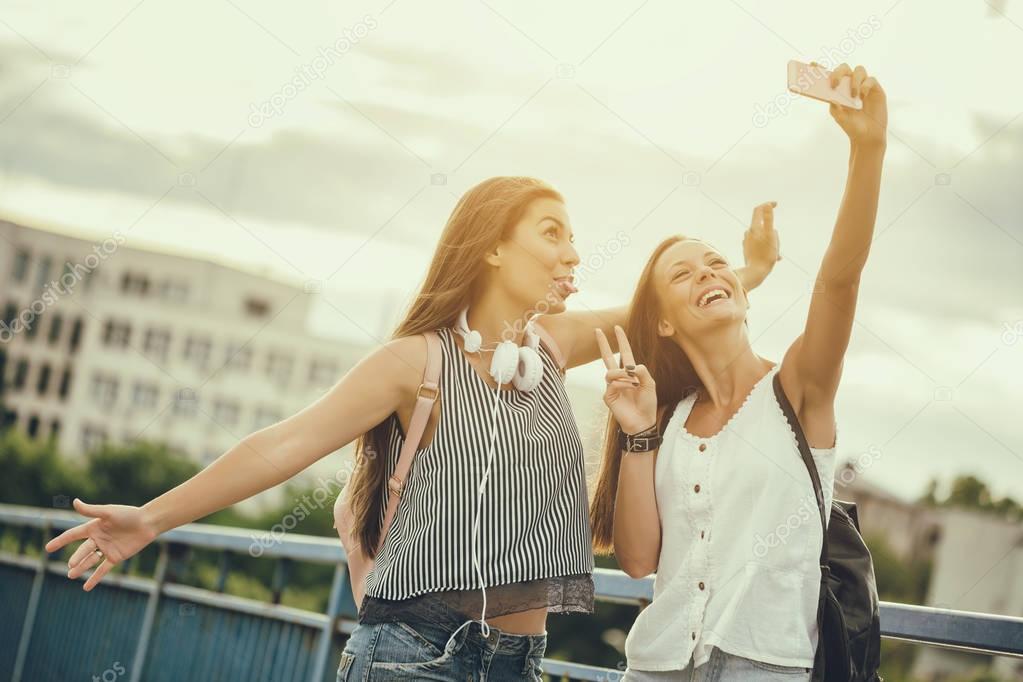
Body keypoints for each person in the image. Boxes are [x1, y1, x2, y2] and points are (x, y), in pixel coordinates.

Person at [44, 176, 779, 681]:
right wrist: (151, 519)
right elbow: (283, 444)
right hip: (408, 652)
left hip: (517, 661)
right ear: (493, 247)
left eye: (573, 238)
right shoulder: (413, 362)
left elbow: (671, 306)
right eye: (551, 233)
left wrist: (743, 273)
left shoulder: (552, 348)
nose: (572, 253)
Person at [589, 63, 886, 681]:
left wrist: (867, 148)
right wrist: (639, 434)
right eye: (684, 274)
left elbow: (839, 279)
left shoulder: (798, 390)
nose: (709, 274)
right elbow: (640, 561)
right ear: (664, 323)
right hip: (656, 666)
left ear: (744, 292)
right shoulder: (663, 420)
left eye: (718, 264)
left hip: (767, 666)